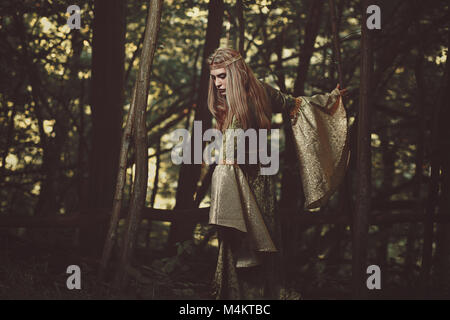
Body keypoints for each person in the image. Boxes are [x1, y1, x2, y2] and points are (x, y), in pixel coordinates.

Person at [206, 47, 350, 299]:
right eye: (214, 77)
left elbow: (295, 105)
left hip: (253, 185)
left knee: (258, 246)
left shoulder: (255, 96)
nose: (217, 83)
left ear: (236, 73)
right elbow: (294, 103)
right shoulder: (258, 90)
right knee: (240, 246)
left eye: (222, 76)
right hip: (244, 183)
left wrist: (332, 100)